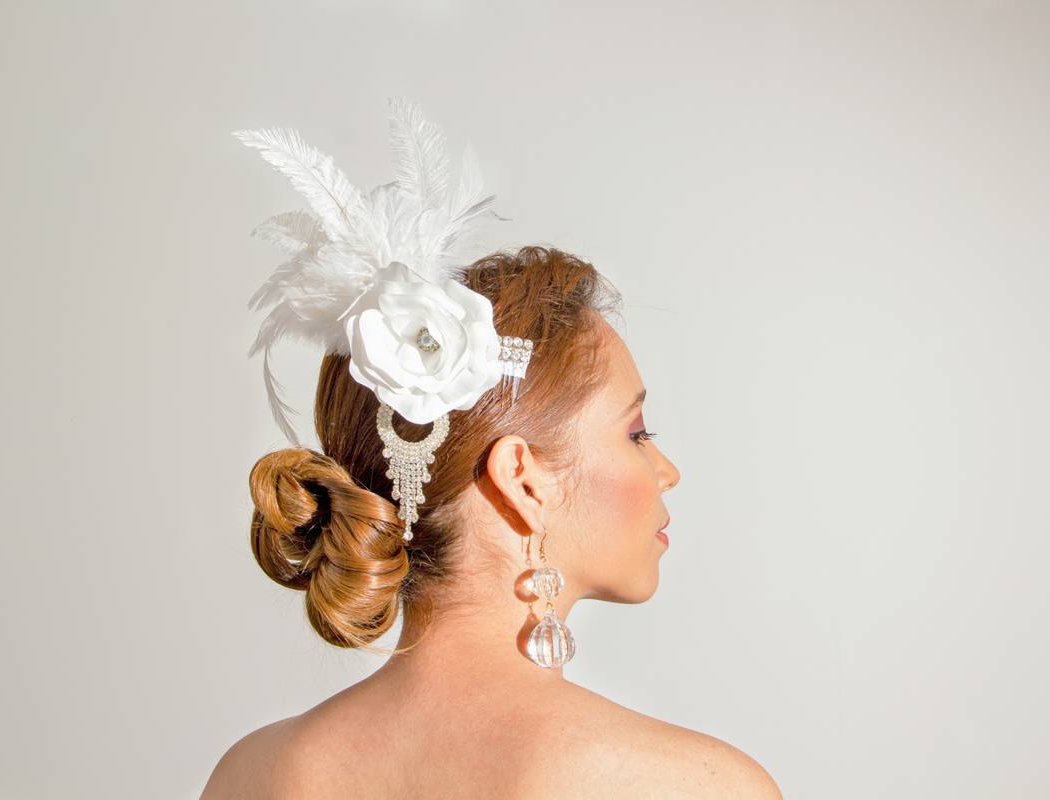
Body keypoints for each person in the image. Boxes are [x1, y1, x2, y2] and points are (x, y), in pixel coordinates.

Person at [202, 246, 782, 798]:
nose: (667, 471)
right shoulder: (698, 788)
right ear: (522, 480)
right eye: (637, 434)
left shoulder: (249, 777)